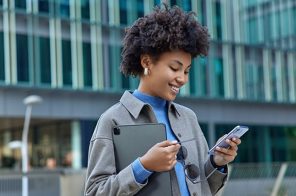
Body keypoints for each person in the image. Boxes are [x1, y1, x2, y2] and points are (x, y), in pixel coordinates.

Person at [84, 4, 241, 196]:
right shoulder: (112, 120)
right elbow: (94, 192)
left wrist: (217, 162)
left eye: (186, 71)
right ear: (146, 62)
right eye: (175, 68)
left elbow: (203, 186)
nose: (182, 78)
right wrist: (143, 166)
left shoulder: (188, 117)